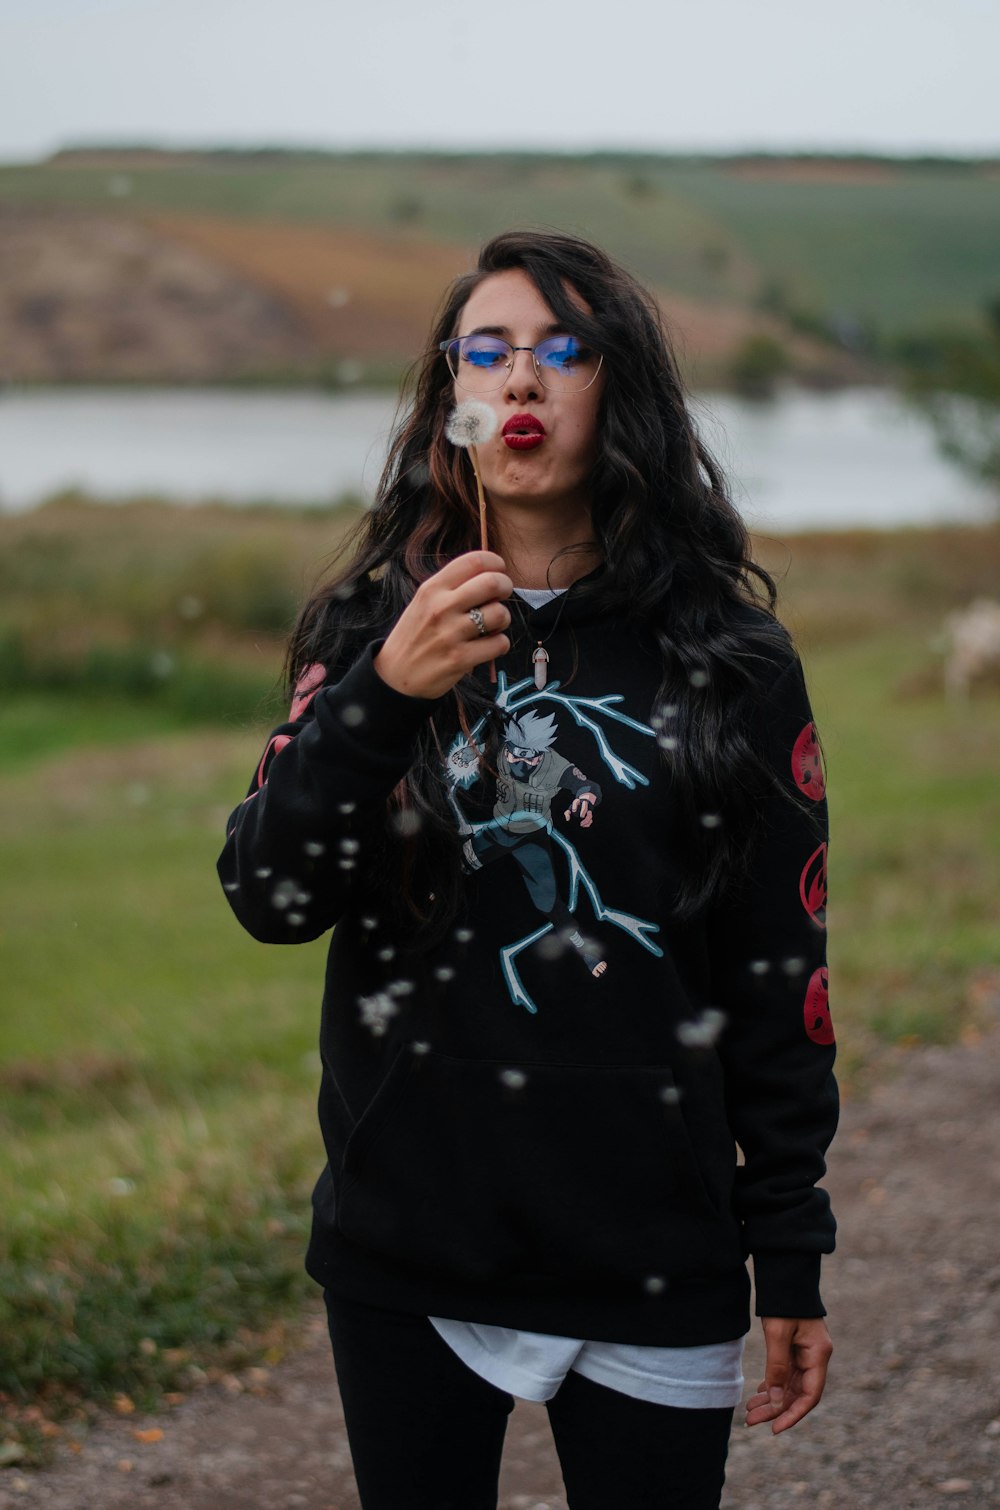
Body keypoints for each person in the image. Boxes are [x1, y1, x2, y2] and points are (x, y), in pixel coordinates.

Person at [217, 229, 838, 1510]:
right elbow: (271, 897)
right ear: (451, 399)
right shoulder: (368, 626)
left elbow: (778, 971)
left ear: (624, 390)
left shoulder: (733, 656)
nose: (522, 382)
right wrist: (385, 691)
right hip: (413, 1238)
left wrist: (788, 1245)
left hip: (652, 1248)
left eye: (564, 350)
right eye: (486, 352)